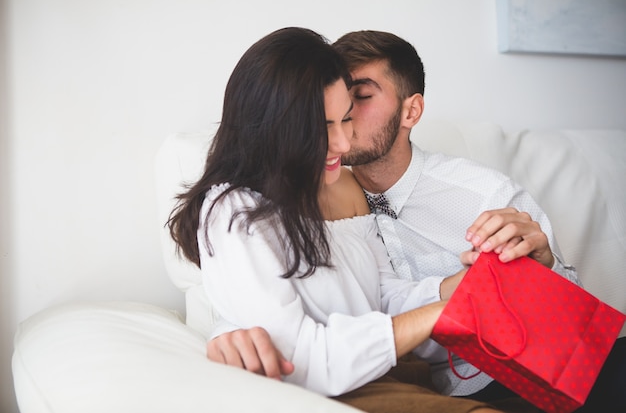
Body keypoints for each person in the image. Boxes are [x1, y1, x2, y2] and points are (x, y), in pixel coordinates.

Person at [205, 30, 626, 412]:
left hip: (512, 366)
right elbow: (255, 293)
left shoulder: (483, 193)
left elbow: (574, 327)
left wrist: (536, 268)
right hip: (415, 384)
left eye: (355, 106)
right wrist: (226, 327)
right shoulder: (282, 200)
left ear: (412, 111)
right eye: (328, 117)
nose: (344, 138)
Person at [167, 27, 503, 413]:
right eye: (325, 128)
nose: (344, 144)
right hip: (335, 391)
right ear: (277, 127)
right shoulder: (233, 212)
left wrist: (454, 291)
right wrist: (439, 313)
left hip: (398, 372)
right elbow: (302, 358)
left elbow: (380, 296)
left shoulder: (343, 187)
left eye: (346, 119)